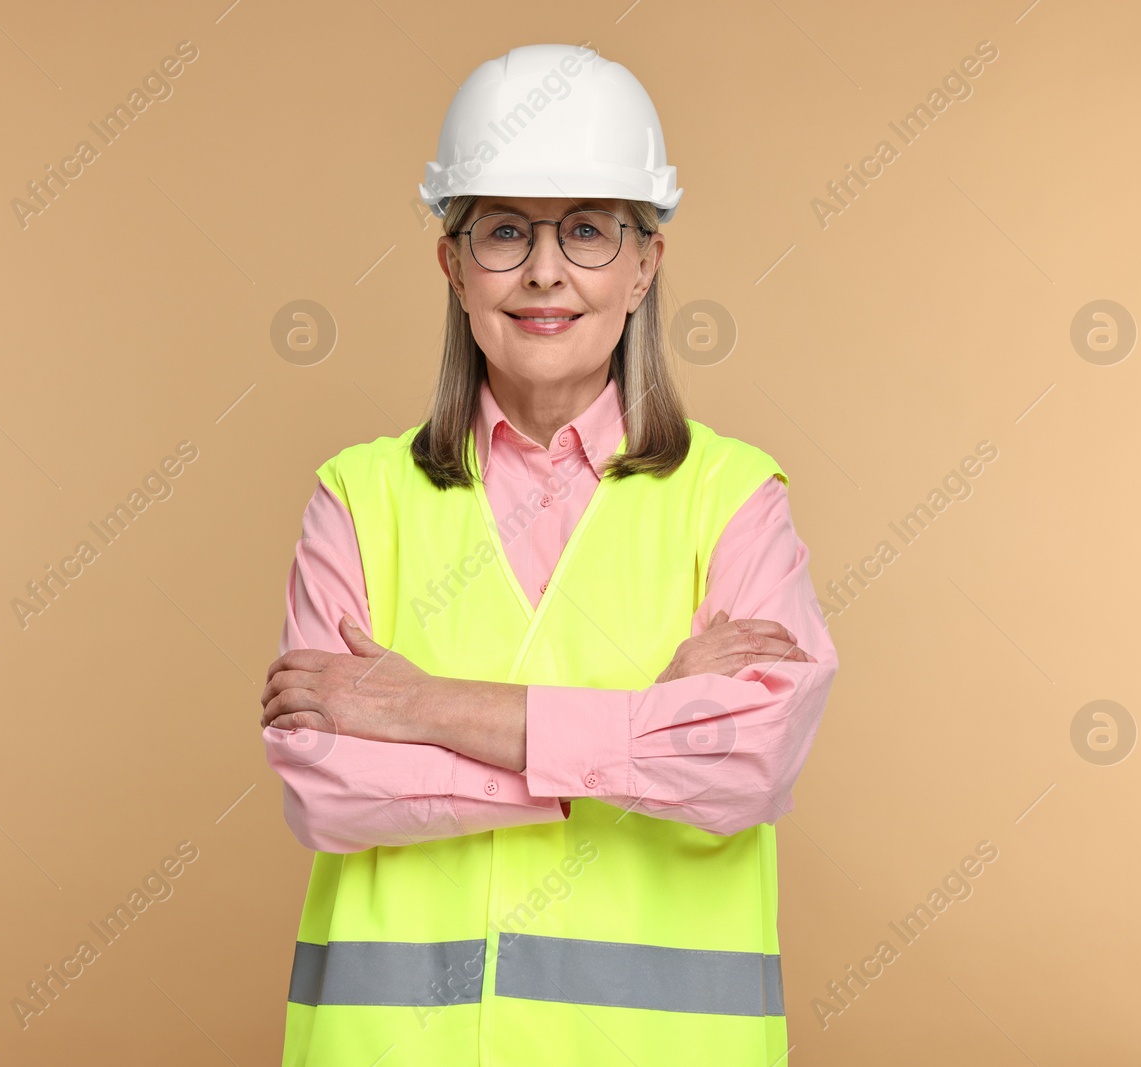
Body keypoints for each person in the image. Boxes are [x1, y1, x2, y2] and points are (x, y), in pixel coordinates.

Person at [260, 42, 839, 1067]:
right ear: (451, 262)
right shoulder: (358, 496)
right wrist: (631, 732)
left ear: (643, 264)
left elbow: (748, 759)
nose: (543, 270)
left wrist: (428, 706)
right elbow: (325, 780)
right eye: (503, 231)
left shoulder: (733, 497)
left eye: (586, 229)